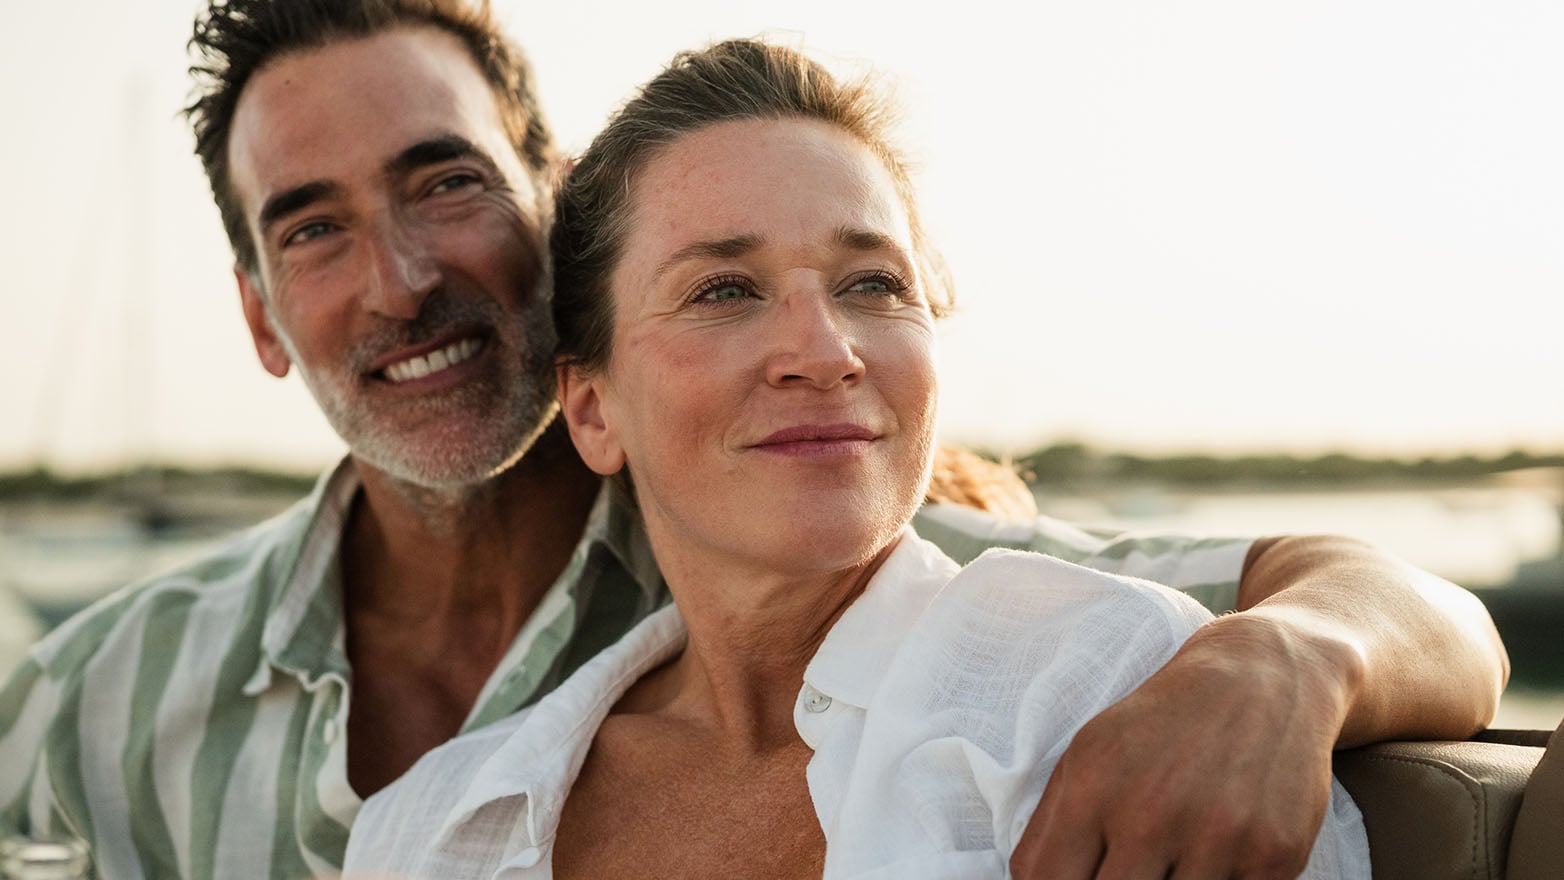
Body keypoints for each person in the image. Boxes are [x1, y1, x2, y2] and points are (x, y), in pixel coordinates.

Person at [0, 1, 1505, 878]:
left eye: (445, 181)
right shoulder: (104, 693)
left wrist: (1283, 659)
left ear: (550, 205)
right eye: (312, 228)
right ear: (262, 319)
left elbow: (1383, 598)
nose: (399, 280)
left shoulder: (888, 565)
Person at [342, 37, 1372, 878]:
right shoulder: (427, 830)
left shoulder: (1103, 684)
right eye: (723, 290)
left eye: (873, 284)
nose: (824, 353)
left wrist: (1292, 652)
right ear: (593, 408)